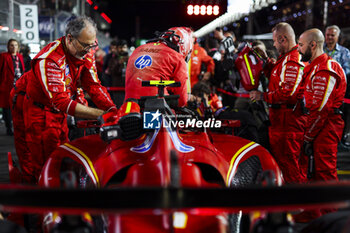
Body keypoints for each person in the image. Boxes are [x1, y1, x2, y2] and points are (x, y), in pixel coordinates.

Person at [23, 16, 117, 181]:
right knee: (42, 162)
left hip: (59, 112)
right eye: (85, 45)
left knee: (62, 153)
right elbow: (61, 101)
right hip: (38, 110)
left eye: (92, 44)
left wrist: (113, 111)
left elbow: (94, 86)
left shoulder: (86, 51)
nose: (89, 50)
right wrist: (101, 115)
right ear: (70, 39)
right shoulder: (49, 59)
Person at [295, 28, 346, 221]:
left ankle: (331, 219)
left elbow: (321, 108)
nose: (298, 49)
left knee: (324, 172)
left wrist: (308, 136)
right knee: (312, 172)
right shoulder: (314, 66)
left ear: (312, 45)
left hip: (327, 125)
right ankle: (313, 212)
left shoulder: (325, 68)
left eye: (301, 45)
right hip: (318, 124)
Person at [250, 22, 307, 184]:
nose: (273, 44)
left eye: (275, 41)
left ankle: (296, 205)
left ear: (283, 39)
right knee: (285, 165)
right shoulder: (286, 59)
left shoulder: (292, 60)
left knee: (290, 167)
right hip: (281, 121)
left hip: (288, 122)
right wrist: (266, 61)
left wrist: (263, 96)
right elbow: (277, 79)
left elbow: (287, 93)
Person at [124, 27, 194, 107]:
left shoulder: (137, 49)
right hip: (156, 105)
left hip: (130, 104)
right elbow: (182, 100)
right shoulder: (176, 57)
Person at [190, 81, 259, 142]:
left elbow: (217, 112)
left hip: (218, 123)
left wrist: (205, 103)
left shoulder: (214, 99)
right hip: (204, 128)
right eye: (196, 95)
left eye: (200, 95)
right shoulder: (193, 105)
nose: (198, 98)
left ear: (207, 95)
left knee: (246, 116)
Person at [323, 25, 350, 146]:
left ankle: (339, 140)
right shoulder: (320, 50)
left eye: (332, 35)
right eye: (327, 35)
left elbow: (347, 70)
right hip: (322, 91)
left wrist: (333, 74)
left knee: (339, 116)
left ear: (338, 37)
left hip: (338, 92)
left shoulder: (345, 52)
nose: (329, 37)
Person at [0, 39, 24, 135]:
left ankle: (17, 127)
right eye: (11, 45)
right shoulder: (3, 56)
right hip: (6, 85)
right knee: (7, 107)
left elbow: (22, 70)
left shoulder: (20, 57)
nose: (13, 47)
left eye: (15, 45)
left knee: (18, 107)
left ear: (18, 47)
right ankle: (9, 127)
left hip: (19, 85)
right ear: (8, 47)